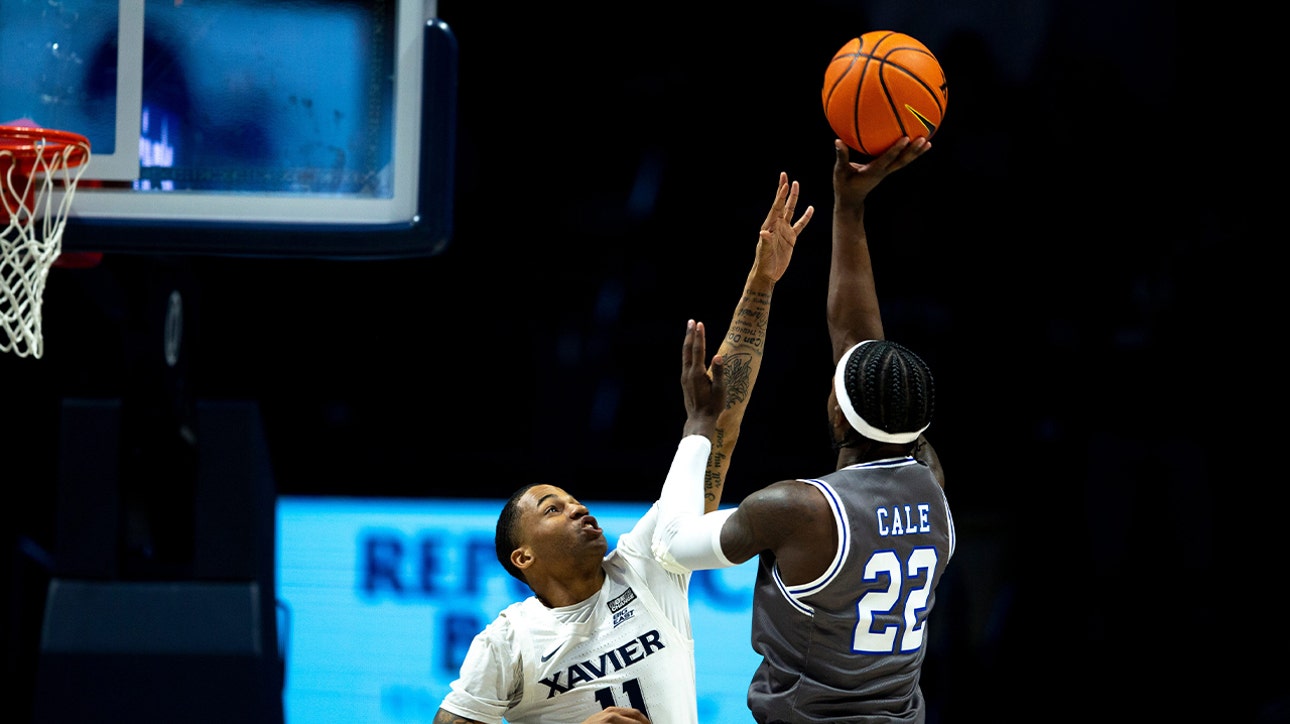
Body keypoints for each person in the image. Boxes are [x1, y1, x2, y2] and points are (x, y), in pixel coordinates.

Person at [433, 172, 814, 724]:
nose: (577, 507)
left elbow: (719, 423)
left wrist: (762, 280)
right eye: (552, 509)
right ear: (523, 557)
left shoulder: (649, 563)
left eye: (570, 499)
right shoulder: (507, 641)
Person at [650, 136, 953, 723]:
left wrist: (698, 426)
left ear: (838, 412)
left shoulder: (797, 509)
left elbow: (670, 546)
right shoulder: (933, 488)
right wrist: (850, 207)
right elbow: (858, 343)